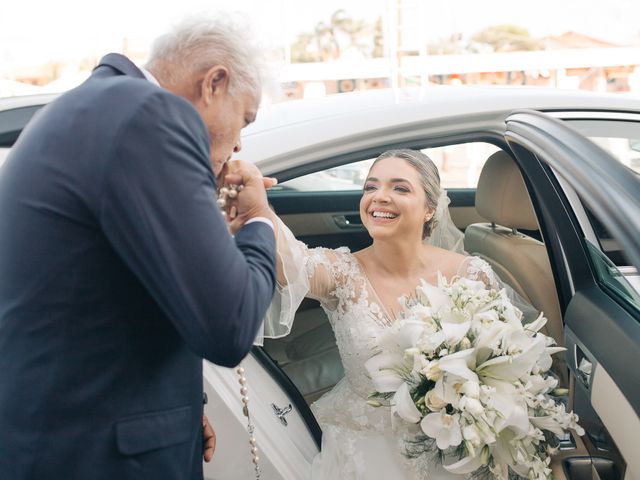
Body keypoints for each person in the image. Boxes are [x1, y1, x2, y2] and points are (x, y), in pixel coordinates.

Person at [0, 13, 276, 480]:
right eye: (243, 118)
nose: (238, 144)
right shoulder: (150, 115)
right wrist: (258, 220)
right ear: (214, 83)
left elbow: (92, 301)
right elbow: (229, 326)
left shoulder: (93, 108)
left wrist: (180, 408)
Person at [232, 149, 529, 479]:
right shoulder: (342, 274)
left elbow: (505, 367)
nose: (379, 198)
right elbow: (289, 260)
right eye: (370, 188)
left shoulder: (472, 274)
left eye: (400, 188)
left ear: (431, 208)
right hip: (366, 454)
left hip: (457, 450)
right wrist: (255, 204)